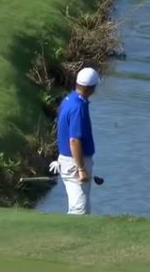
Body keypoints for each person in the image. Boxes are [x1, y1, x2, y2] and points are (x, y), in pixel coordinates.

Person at [51, 67, 100, 215]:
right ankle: (68, 238)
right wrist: (81, 169)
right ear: (91, 88)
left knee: (83, 207)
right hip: (74, 163)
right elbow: (74, 141)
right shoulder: (78, 107)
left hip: (67, 160)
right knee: (79, 209)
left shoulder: (69, 99)